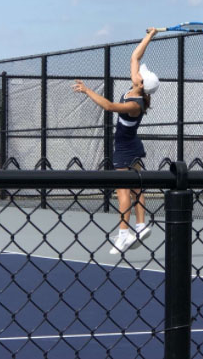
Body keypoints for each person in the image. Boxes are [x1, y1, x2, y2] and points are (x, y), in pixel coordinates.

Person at [73, 27, 159, 254]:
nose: (138, 72)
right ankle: (140, 226)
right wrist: (149, 35)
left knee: (123, 192)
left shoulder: (135, 104)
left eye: (140, 75)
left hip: (125, 150)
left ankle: (123, 234)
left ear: (141, 84)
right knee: (137, 189)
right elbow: (135, 56)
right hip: (133, 146)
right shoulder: (138, 89)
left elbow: (110, 106)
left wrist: (86, 90)